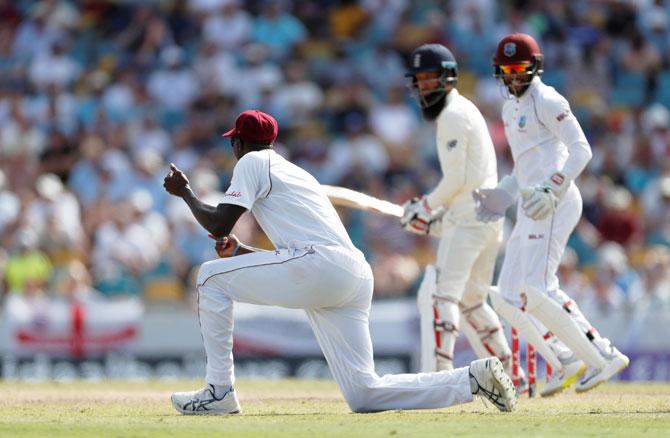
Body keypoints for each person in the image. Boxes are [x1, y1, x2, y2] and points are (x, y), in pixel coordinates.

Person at [163, 109, 516, 415]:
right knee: (364, 393)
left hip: (318, 267)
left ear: (238, 143)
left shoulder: (252, 162)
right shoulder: (294, 171)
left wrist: (186, 194)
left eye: (233, 143)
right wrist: (242, 253)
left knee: (209, 277)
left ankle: (219, 391)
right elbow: (295, 259)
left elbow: (219, 223)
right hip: (351, 273)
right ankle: (471, 379)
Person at [473, 33, 629, 394]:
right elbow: (524, 168)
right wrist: (502, 195)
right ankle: (565, 358)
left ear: (534, 68)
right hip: (530, 203)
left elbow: (581, 150)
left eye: (519, 69)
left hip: (555, 201)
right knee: (507, 294)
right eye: (507, 70)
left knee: (539, 287)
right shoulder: (510, 108)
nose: (513, 76)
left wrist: (552, 187)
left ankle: (603, 354)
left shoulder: (547, 98)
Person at [400, 44, 521, 385]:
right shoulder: (464, 109)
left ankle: (442, 377)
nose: (424, 86)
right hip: (484, 217)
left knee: (444, 296)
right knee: (471, 301)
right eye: (419, 80)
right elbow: (471, 177)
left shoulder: (453, 114)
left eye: (430, 78)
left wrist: (425, 207)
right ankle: (514, 375)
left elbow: (459, 179)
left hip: (469, 219)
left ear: (448, 77)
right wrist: (440, 217)